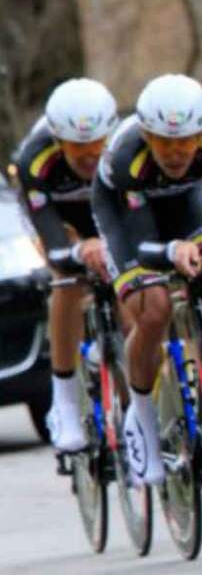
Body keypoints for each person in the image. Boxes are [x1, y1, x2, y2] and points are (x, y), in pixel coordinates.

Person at [92, 74, 202, 484]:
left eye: (186, 142)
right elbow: (144, 246)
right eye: (164, 142)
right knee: (155, 307)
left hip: (185, 203)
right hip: (126, 218)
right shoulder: (128, 157)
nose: (176, 152)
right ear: (146, 134)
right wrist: (173, 251)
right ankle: (141, 421)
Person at [11, 78, 118, 451]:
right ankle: (66, 400)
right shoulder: (34, 160)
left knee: (127, 280)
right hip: (61, 220)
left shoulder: (121, 149)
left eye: (95, 145)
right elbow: (53, 243)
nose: (89, 155)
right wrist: (76, 249)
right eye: (77, 147)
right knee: (68, 282)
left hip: (105, 212)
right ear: (58, 140)